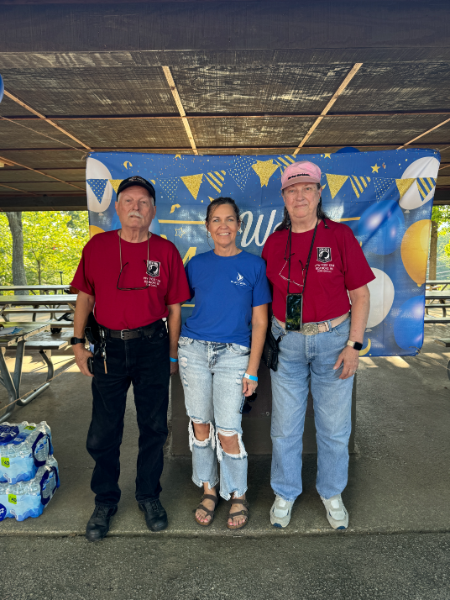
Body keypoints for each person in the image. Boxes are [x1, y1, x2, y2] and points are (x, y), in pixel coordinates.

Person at [71, 175, 190, 542]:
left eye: (143, 202)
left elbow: (174, 308)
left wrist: (171, 354)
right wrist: (78, 343)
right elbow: (85, 298)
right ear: (118, 208)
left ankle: (148, 495)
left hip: (152, 345)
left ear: (153, 210)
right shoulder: (97, 247)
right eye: (128, 201)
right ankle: (105, 501)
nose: (135, 207)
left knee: (154, 427)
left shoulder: (166, 251)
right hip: (108, 347)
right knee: (104, 430)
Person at [262, 161, 374, 530]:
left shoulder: (340, 236)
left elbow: (360, 295)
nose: (300, 196)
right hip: (287, 343)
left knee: (334, 427)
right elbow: (260, 299)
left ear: (319, 193)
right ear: (283, 197)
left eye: (307, 188)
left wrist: (354, 345)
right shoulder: (274, 243)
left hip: (333, 341)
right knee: (284, 427)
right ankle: (286, 491)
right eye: (292, 190)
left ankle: (331, 491)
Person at [178, 197, 271, 530]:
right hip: (194, 350)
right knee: (201, 425)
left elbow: (260, 322)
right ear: (207, 226)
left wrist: (252, 369)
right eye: (216, 220)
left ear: (239, 225)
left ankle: (237, 494)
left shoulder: (254, 266)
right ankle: (208, 488)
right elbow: (174, 303)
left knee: (229, 431)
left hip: (235, 354)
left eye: (230, 219)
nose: (223, 226)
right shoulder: (196, 265)